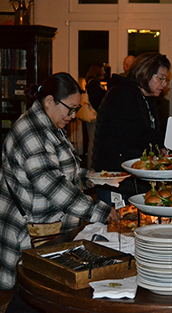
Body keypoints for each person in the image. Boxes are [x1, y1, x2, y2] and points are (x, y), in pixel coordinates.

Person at [0, 72, 114, 290]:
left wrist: (88, 178)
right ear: (49, 101)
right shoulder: (31, 131)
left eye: (76, 109)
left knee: (37, 293)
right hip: (29, 231)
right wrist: (97, 211)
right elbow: (51, 185)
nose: (73, 115)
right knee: (31, 292)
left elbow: (62, 171)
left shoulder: (50, 124)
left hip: (46, 228)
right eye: (70, 108)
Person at [92, 52, 171, 203]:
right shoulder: (122, 95)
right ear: (145, 74)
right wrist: (169, 140)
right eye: (161, 78)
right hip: (115, 180)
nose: (164, 84)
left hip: (131, 179)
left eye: (166, 79)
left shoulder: (146, 98)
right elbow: (138, 135)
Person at [84, 64, 108, 167]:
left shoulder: (91, 83)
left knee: (93, 141)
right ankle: (91, 167)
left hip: (93, 117)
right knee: (93, 143)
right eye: (102, 71)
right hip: (94, 117)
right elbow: (95, 100)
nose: (103, 73)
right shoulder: (93, 84)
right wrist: (101, 111)